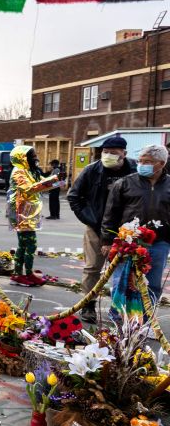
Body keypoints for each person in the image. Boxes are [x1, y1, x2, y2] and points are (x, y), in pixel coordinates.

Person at [67, 137, 136, 323]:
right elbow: (74, 196)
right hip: (96, 227)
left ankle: (122, 308)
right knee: (92, 268)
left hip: (127, 231)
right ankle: (88, 304)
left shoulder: (135, 170)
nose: (108, 156)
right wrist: (91, 219)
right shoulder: (92, 170)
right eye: (105, 152)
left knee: (127, 270)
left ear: (124, 154)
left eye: (114, 152)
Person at [101, 144, 170, 321]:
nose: (141, 164)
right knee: (121, 282)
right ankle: (118, 319)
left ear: (161, 163)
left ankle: (146, 321)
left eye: (147, 162)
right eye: (140, 160)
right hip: (128, 243)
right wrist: (107, 240)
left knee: (152, 284)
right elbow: (111, 213)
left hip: (159, 243)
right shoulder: (124, 183)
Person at [7, 145, 59, 286]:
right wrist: (52, 180)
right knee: (30, 244)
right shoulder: (19, 171)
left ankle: (19, 274)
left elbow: (41, 183)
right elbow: (29, 189)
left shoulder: (30, 171)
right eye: (33, 155)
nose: (36, 158)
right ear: (23, 157)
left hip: (29, 210)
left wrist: (57, 181)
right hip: (21, 211)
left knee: (24, 244)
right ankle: (26, 274)